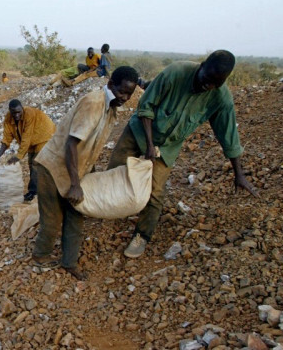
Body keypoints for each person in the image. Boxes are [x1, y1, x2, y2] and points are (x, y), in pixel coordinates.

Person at [108, 50, 259, 259]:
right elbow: (146, 106)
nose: (209, 86)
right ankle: (108, 209)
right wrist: (150, 145)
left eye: (216, 83)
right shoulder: (175, 73)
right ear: (202, 65)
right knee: (114, 169)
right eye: (207, 79)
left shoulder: (221, 98)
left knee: (156, 192)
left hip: (168, 146)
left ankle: (142, 235)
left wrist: (239, 174)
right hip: (140, 131)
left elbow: (229, 137)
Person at [31, 66, 139, 280]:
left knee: (76, 217)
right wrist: (75, 184)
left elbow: (89, 147)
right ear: (110, 85)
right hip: (53, 168)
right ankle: (40, 256)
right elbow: (71, 144)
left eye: (129, 94)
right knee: (52, 220)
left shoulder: (110, 110)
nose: (125, 98)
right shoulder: (94, 103)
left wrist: (87, 175)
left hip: (74, 172)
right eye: (122, 92)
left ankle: (68, 262)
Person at [0, 99, 55, 202]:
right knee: (31, 164)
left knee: (37, 163)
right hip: (32, 141)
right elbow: (6, 139)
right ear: (10, 111)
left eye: (19, 112)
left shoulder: (29, 114)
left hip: (44, 135)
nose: (17, 115)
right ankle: (37, 190)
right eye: (14, 113)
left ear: (22, 109)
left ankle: (34, 192)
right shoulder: (8, 119)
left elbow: (26, 137)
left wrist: (18, 156)